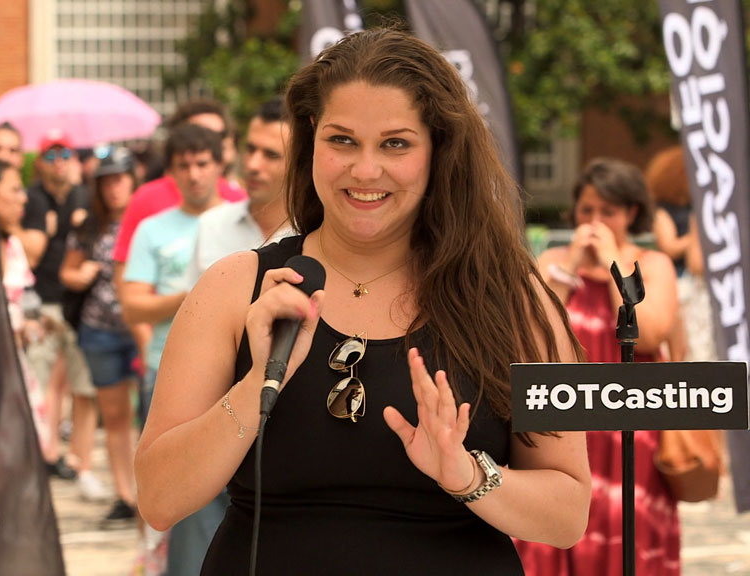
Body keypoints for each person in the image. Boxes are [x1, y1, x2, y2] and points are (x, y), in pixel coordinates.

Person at [133, 27, 591, 575]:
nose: (365, 170)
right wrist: (256, 385)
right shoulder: (234, 287)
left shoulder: (515, 301)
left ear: (438, 150)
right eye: (342, 141)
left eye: (395, 144)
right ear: (311, 139)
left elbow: (568, 514)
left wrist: (469, 476)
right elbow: (159, 499)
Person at [519, 158, 681, 575]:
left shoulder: (652, 264)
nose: (594, 222)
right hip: (564, 421)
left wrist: (613, 265)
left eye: (607, 211)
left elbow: (649, 334)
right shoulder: (553, 260)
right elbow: (530, 333)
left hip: (631, 425)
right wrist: (571, 264)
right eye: (587, 210)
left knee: (627, 523)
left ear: (630, 213)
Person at [120, 123, 231, 575]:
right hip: (167, 375)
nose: (194, 174)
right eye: (184, 166)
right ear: (171, 172)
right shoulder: (153, 229)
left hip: (236, 379)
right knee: (174, 505)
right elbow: (132, 304)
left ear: (220, 165)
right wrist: (197, 294)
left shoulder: (244, 221)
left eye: (202, 163)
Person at [61, 147, 141, 523]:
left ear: (132, 180)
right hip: (101, 332)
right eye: (106, 181)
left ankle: (150, 495)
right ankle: (126, 495)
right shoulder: (88, 226)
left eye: (119, 179)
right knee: (115, 418)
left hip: (143, 330)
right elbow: (67, 271)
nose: (113, 188)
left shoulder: (147, 223)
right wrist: (81, 275)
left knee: (150, 414)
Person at [20, 129, 98, 485]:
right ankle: (43, 455)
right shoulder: (32, 198)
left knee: (84, 387)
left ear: (75, 159)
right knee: (40, 383)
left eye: (64, 154)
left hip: (78, 306)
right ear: (40, 162)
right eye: (51, 156)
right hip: (42, 302)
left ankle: (80, 463)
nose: (58, 163)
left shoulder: (85, 195)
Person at [185, 96, 294, 283]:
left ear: (300, 163)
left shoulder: (318, 234)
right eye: (250, 149)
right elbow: (191, 299)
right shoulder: (211, 226)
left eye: (271, 155)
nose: (253, 165)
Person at [0, 159, 50, 451]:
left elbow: (27, 299)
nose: (23, 198)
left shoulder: (14, 245)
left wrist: (32, 324)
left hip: (15, 366)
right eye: (14, 189)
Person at [646, 145, 715, 362]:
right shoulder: (662, 212)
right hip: (677, 280)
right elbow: (669, 246)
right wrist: (695, 236)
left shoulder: (694, 209)